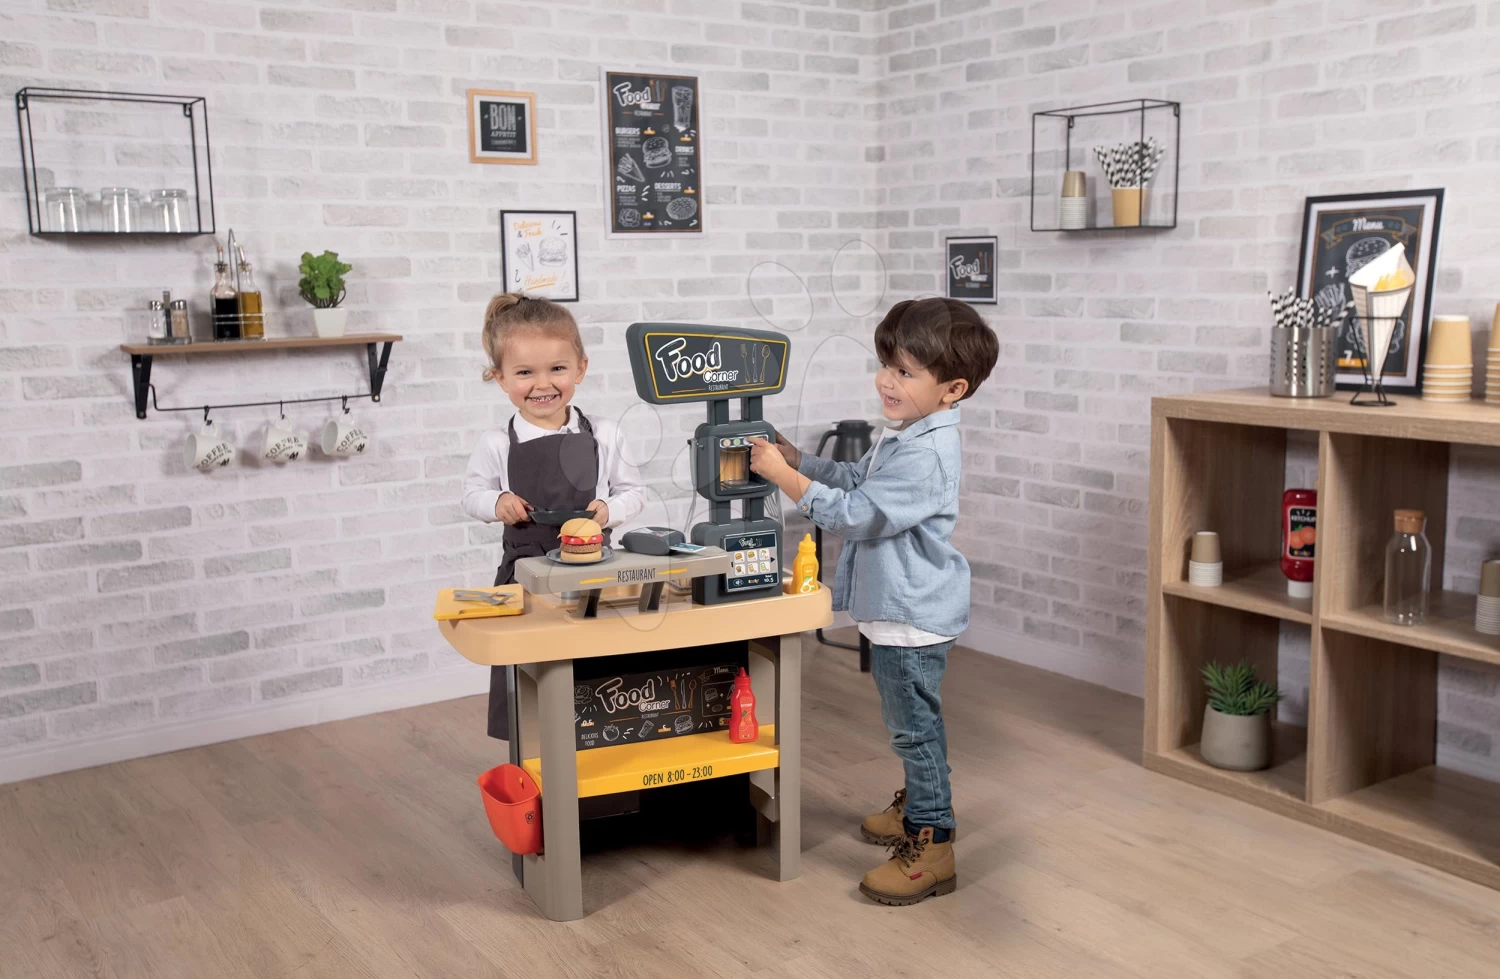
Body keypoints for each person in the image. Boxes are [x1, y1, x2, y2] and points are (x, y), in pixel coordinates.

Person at [748, 297, 998, 906]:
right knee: (912, 725)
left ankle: (932, 843)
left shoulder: (926, 453)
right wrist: (799, 461)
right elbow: (859, 481)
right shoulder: (908, 433)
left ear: (952, 389)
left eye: (905, 372)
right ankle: (919, 803)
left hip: (911, 615)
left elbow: (858, 515)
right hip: (899, 608)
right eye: (887, 364)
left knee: (915, 732)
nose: (887, 380)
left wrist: (785, 479)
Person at [461, 293, 648, 741]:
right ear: (500, 378)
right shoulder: (496, 443)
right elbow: (471, 496)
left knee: (597, 675)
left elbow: (635, 493)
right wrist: (497, 502)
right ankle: (535, 759)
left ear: (580, 368)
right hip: (524, 576)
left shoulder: (605, 434)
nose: (542, 384)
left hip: (593, 574)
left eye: (557, 369)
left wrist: (609, 510)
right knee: (531, 672)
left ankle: (601, 752)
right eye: (525, 372)